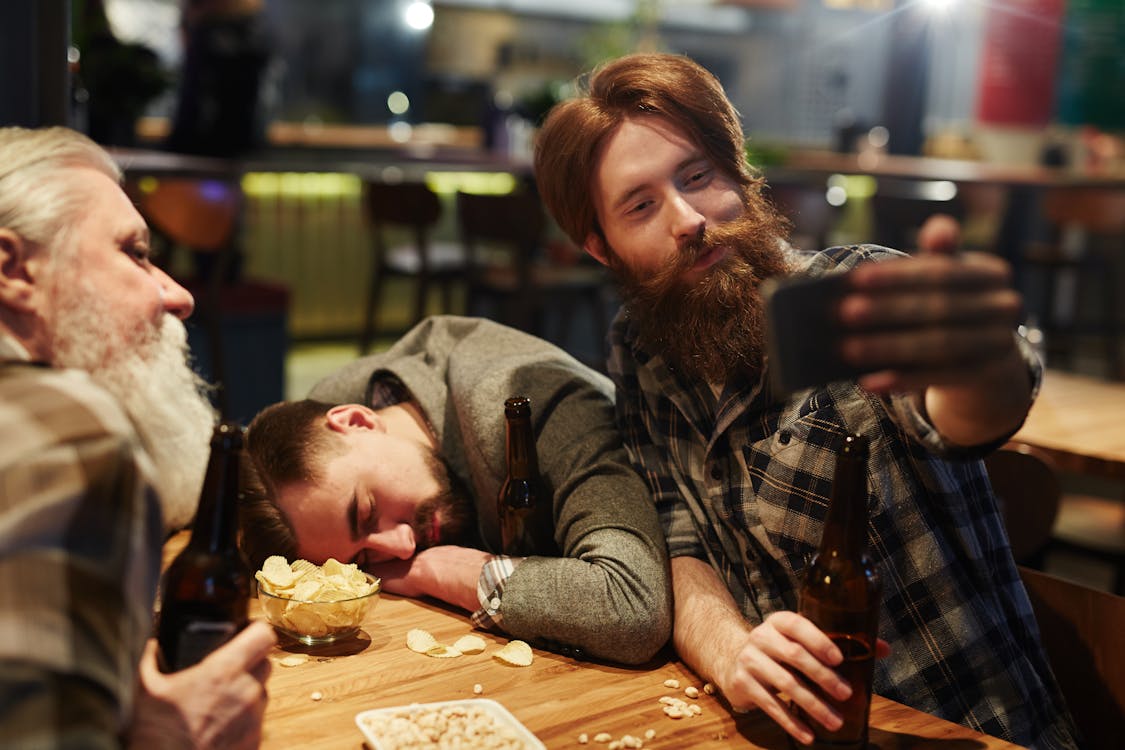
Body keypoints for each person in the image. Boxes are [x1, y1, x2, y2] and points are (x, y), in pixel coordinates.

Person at [533, 53, 1078, 749]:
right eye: (640, 205)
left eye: (698, 176)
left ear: (738, 175)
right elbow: (676, 538)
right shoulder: (639, 348)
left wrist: (981, 358)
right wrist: (728, 650)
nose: (687, 219)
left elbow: (964, 415)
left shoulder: (856, 291)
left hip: (962, 728)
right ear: (600, 247)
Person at [0, 126, 274, 749]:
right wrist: (168, 737)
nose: (178, 295)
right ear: (13, 271)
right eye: (134, 252)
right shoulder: (75, 440)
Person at [240, 315, 672, 665]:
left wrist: (446, 572)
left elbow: (634, 605)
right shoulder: (318, 442)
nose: (403, 546)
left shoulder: (527, 399)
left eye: (369, 512)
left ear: (357, 421)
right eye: (364, 559)